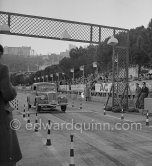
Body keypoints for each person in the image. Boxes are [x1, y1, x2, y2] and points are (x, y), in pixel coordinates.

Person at [0, 44, 22, 166]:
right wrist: (14, 89)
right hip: (1, 119)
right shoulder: (2, 69)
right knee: (7, 155)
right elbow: (8, 94)